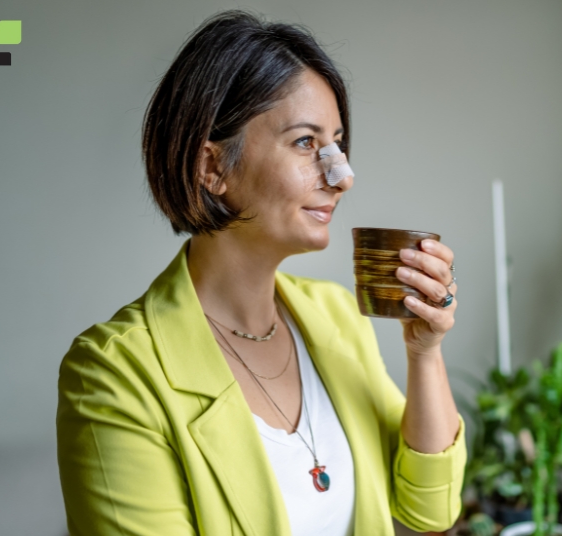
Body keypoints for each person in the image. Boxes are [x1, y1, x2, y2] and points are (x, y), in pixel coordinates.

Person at [55, 10, 465, 536]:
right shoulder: (112, 376)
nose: (343, 175)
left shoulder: (334, 314)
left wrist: (424, 351)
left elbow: (428, 510)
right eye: (305, 142)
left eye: (337, 143)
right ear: (212, 167)